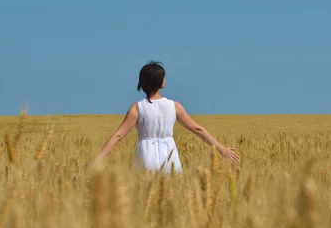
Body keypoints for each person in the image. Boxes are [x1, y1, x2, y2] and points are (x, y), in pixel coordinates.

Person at [90, 61, 240, 173]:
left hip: (146, 154)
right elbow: (197, 129)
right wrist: (221, 148)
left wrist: (97, 160)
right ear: (160, 82)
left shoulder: (137, 108)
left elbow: (118, 136)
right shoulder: (174, 106)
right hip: (170, 154)